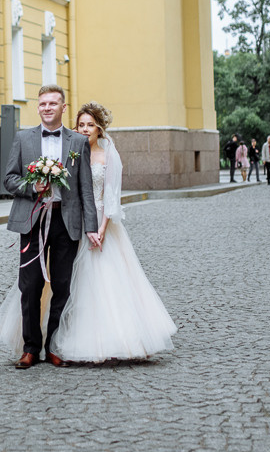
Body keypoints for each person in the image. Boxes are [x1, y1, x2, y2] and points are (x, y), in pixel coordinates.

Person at [48, 102, 177, 362]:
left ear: (99, 129)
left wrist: (100, 229)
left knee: (107, 280)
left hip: (101, 224)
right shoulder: (71, 153)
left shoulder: (108, 155)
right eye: (81, 125)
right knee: (75, 281)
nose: (85, 130)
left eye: (90, 125)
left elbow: (112, 197)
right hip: (77, 223)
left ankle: (120, 339)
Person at [0, 84, 99, 369]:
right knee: (30, 286)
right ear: (37, 107)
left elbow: (85, 189)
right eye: (43, 104)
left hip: (66, 221)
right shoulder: (22, 139)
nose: (47, 108)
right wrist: (32, 186)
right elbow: (9, 180)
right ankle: (30, 348)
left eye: (53, 104)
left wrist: (91, 226)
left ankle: (54, 345)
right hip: (33, 219)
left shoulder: (78, 142)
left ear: (63, 107)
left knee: (63, 285)